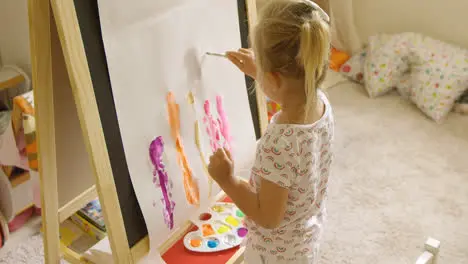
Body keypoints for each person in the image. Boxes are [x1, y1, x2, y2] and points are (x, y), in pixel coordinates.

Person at [208, 0, 334, 263]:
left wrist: (227, 180)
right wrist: (260, 72)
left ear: (275, 78)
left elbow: (267, 217)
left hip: (273, 255)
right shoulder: (320, 102)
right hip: (304, 240)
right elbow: (291, 94)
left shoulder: (279, 143)